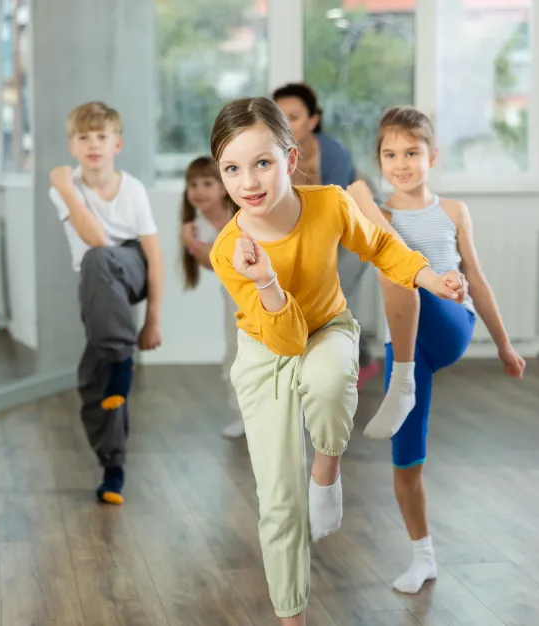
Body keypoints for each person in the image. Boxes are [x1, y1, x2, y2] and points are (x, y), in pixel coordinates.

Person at [207, 96, 467, 625]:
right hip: (266, 348)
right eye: (232, 169)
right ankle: (292, 617)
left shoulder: (330, 202)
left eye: (262, 163)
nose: (248, 182)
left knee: (328, 381)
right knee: (280, 503)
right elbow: (284, 341)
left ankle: (327, 467)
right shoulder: (228, 251)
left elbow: (381, 247)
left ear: (291, 159)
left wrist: (430, 278)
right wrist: (266, 281)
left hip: (327, 328)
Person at [348, 106, 526, 595]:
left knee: (400, 267)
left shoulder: (452, 211)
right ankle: (422, 557)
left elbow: (478, 281)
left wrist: (504, 345)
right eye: (390, 155)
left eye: (412, 153)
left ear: (433, 157)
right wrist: (364, 204)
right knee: (406, 461)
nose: (401, 164)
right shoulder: (381, 216)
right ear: (379, 159)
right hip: (406, 347)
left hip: (450, 323)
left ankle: (402, 379)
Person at [48, 101, 164, 505]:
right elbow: (92, 237)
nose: (93, 144)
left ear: (117, 144)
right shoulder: (64, 189)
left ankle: (121, 360)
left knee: (99, 258)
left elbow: (151, 255)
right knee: (92, 379)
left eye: (101, 136)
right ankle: (112, 467)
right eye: (84, 137)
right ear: (72, 146)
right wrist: (67, 189)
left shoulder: (132, 189)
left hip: (131, 268)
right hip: (97, 284)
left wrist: (152, 320)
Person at [273, 83, 382, 388]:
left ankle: (338, 369)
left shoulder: (332, 152)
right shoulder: (273, 156)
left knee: (334, 291)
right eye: (278, 117)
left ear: (313, 120)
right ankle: (360, 360)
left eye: (294, 117)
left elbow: (336, 215)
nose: (285, 125)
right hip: (317, 226)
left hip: (360, 221)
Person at [177, 156, 242, 438]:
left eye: (207, 183)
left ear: (223, 187)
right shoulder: (199, 226)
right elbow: (213, 264)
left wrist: (192, 243)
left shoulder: (241, 212)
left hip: (266, 291)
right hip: (235, 297)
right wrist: (192, 242)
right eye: (193, 185)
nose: (199, 191)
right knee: (235, 355)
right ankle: (243, 415)